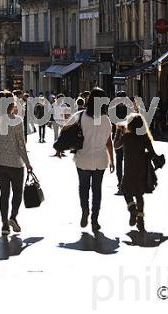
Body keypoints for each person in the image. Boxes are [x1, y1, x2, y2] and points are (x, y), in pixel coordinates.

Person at [59, 87, 114, 232]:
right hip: (101, 160)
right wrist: (112, 160)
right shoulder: (107, 120)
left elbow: (64, 129)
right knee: (97, 190)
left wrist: (62, 146)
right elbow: (109, 142)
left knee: (83, 187)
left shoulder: (80, 115)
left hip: (83, 158)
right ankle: (95, 219)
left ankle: (85, 210)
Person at [0, 90, 32, 235]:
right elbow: (21, 144)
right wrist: (28, 163)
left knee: (4, 194)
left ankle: (4, 225)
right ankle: (13, 217)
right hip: (15, 163)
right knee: (17, 193)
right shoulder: (17, 120)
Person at [114, 113, 157, 232]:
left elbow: (116, 145)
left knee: (126, 191)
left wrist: (118, 131)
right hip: (141, 169)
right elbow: (152, 153)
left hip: (129, 169)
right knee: (139, 195)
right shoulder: (144, 137)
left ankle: (133, 210)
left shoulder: (126, 137)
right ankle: (140, 221)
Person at [112, 91, 128, 195]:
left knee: (122, 161)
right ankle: (122, 182)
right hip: (125, 137)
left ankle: (122, 183)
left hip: (121, 137)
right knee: (123, 161)